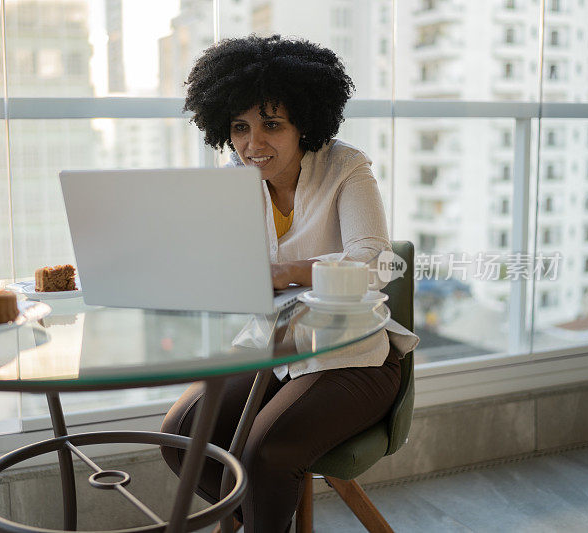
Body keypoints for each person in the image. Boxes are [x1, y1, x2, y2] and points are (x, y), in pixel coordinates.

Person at [160, 35, 417, 533]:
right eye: (240, 128)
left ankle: (263, 514)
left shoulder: (347, 168)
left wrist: (285, 272)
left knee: (265, 452)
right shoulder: (234, 180)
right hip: (273, 350)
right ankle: (262, 517)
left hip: (356, 356)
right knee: (183, 437)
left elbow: (375, 260)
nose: (253, 145)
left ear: (305, 123)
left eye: (272, 125)